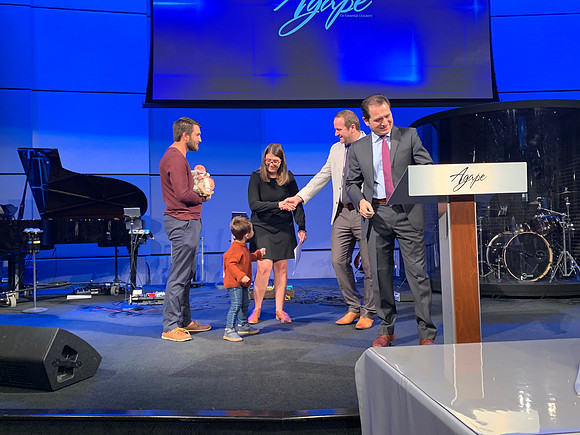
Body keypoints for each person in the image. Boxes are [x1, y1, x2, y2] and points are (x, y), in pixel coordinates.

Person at [345, 94, 437, 347]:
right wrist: (360, 201)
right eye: (378, 119)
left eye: (388, 116)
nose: (385, 122)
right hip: (376, 214)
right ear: (366, 121)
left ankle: (426, 333)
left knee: (417, 275)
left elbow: (427, 168)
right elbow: (351, 183)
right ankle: (386, 329)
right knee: (380, 275)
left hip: (407, 213)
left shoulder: (409, 136)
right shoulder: (358, 148)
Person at [281, 110, 375, 329]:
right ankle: (353, 307)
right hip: (341, 212)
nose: (335, 134)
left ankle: (369, 311)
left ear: (353, 127)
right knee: (338, 261)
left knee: (369, 265)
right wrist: (299, 197)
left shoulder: (371, 145)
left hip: (364, 212)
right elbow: (323, 176)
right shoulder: (335, 149)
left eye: (339, 129)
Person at [159, 117, 213, 342]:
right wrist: (203, 196)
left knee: (186, 274)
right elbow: (183, 194)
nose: (200, 139)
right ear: (185, 135)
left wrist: (199, 179)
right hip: (182, 221)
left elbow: (182, 188)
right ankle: (170, 326)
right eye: (197, 135)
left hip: (186, 220)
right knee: (179, 275)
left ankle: (183, 320)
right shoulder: (175, 158)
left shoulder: (177, 158)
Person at [247, 143, 307, 323]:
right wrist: (278, 205)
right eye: (268, 161)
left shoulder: (289, 178)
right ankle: (257, 309)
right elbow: (254, 205)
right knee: (264, 267)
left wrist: (301, 226)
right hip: (262, 226)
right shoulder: (256, 177)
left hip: (283, 228)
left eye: (275, 161)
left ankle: (279, 310)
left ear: (282, 161)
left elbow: (297, 203)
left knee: (281, 269)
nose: (271, 164)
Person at [222, 216, 266, 342]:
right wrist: (241, 276)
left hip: (242, 283)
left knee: (244, 304)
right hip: (235, 282)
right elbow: (230, 264)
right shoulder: (236, 248)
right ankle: (229, 330)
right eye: (252, 230)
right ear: (247, 235)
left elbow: (246, 258)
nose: (253, 231)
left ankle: (243, 325)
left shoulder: (242, 246)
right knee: (236, 305)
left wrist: (258, 254)